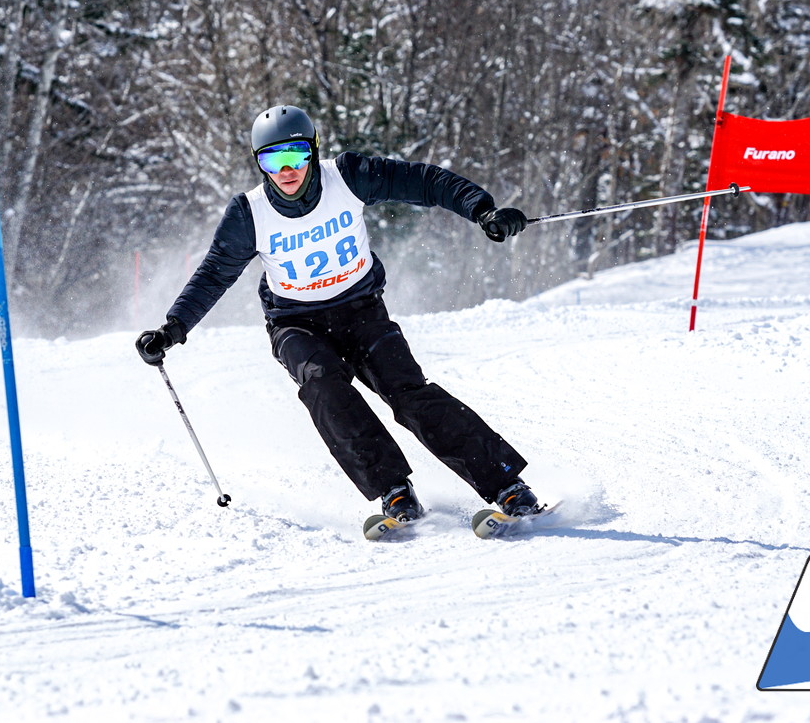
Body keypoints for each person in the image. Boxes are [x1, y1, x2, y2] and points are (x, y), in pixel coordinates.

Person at [136, 105, 541, 524]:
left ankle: (507, 485)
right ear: (259, 163)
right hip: (295, 323)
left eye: (295, 154)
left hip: (361, 308)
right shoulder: (249, 213)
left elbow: (425, 181)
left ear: (313, 150)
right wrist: (173, 328)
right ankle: (394, 492)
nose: (286, 169)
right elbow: (213, 274)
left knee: (408, 392)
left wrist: (482, 210)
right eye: (272, 159)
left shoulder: (346, 176)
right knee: (324, 386)